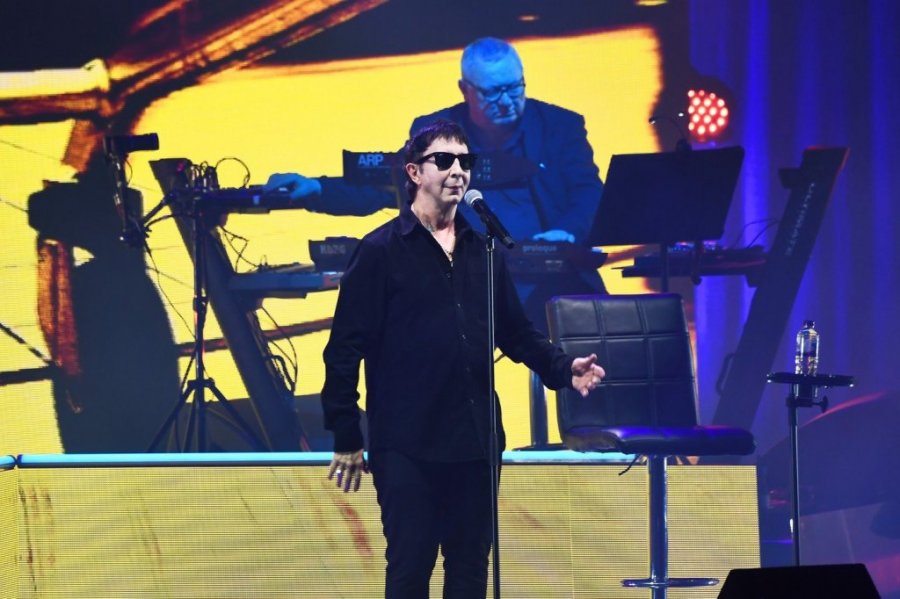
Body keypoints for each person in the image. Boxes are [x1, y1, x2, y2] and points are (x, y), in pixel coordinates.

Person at [321, 119, 605, 597]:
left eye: (465, 161)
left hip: (475, 441)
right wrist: (347, 435)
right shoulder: (380, 251)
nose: (458, 171)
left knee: (470, 571)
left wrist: (562, 368)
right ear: (414, 172)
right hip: (406, 443)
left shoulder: (483, 249)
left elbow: (515, 331)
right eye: (444, 160)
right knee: (410, 569)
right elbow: (343, 350)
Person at [265, 37, 606, 331]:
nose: (506, 100)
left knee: (600, 341)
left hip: (552, 278)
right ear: (465, 90)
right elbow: (388, 187)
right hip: (464, 281)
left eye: (515, 87)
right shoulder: (434, 131)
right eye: (492, 92)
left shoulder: (560, 126)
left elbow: (589, 194)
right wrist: (317, 189)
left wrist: (566, 233)